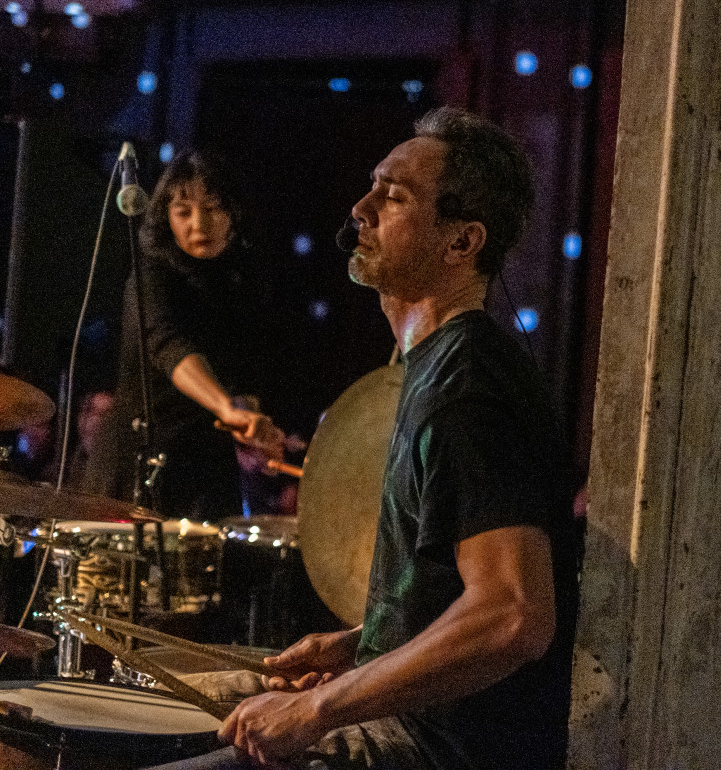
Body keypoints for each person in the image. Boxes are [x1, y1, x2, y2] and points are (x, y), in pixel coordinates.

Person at [152, 108, 579, 769]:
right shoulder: (435, 366)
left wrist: (314, 708)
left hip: (427, 748)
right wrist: (364, 642)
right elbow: (454, 590)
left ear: (462, 242)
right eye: (372, 187)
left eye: (395, 196)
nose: (360, 208)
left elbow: (514, 614)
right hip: (404, 724)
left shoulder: (469, 387)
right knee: (147, 698)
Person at [88, 150, 283, 521]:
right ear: (166, 217)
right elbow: (170, 346)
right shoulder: (152, 276)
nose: (199, 224)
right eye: (184, 212)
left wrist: (252, 425)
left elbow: (244, 371)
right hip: (138, 463)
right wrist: (225, 406)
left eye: (212, 208)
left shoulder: (243, 280)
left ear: (233, 213)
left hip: (206, 468)